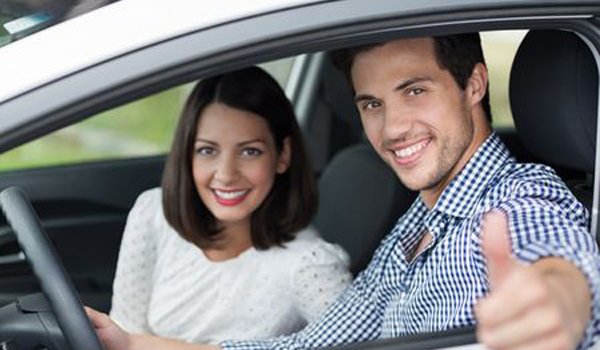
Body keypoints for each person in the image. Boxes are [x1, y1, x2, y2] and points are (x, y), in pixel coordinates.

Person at [87, 33, 600, 350]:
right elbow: (314, 344)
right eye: (372, 104)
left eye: (414, 90)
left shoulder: (519, 197)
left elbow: (557, 260)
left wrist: (556, 302)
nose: (393, 127)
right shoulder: (413, 228)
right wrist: (131, 344)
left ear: (473, 85)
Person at [102, 66, 352, 346]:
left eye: (249, 151)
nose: (226, 174)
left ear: (283, 155)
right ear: (188, 155)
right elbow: (123, 332)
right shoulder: (154, 213)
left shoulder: (310, 264)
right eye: (207, 150)